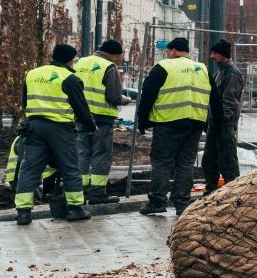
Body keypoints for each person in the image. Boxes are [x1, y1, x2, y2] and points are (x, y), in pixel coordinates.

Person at [13, 44, 97, 225]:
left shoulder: (32, 74)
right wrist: (91, 126)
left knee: (30, 169)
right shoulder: (70, 78)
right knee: (70, 167)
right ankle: (75, 209)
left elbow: (25, 101)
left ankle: (23, 212)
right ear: (69, 59)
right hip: (60, 129)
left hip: (34, 127)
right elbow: (80, 108)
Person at [136, 37, 211, 215]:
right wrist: (207, 123)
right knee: (185, 163)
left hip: (168, 122)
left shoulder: (164, 67)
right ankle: (182, 204)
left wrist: (143, 120)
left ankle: (157, 201)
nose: (167, 55)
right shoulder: (202, 68)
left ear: (173, 50)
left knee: (162, 162)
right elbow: (211, 96)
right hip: (195, 123)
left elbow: (148, 94)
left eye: (168, 51)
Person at [73, 39, 127, 205]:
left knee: (82, 153)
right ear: (114, 54)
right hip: (101, 118)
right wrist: (124, 99)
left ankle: (78, 192)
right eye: (119, 56)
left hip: (81, 116)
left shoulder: (80, 62)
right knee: (101, 154)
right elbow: (113, 96)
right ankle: (97, 193)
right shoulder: (109, 67)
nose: (119, 60)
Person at [201, 39, 244, 193]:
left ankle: (235, 194)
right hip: (216, 124)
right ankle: (211, 192)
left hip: (225, 125)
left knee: (228, 162)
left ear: (223, 54)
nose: (212, 56)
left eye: (215, 53)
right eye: (212, 53)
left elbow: (229, 101)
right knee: (209, 161)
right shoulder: (220, 71)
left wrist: (221, 121)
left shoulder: (231, 73)